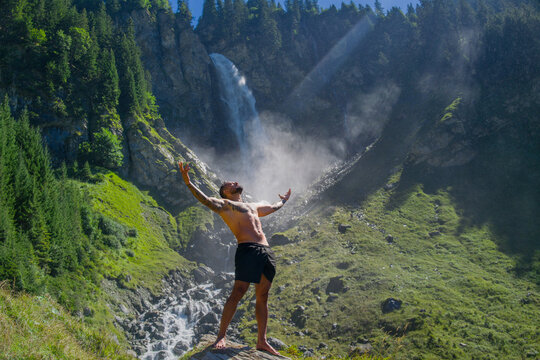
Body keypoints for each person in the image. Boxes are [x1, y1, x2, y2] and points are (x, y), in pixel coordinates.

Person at [179, 161, 291, 355]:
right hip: (247, 249)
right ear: (225, 192)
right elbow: (205, 200)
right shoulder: (225, 205)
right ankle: (221, 336)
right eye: (230, 184)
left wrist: (284, 201)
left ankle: (262, 341)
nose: (235, 182)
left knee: (263, 296)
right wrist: (188, 182)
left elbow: (272, 207)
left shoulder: (253, 206)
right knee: (238, 291)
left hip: (266, 251)